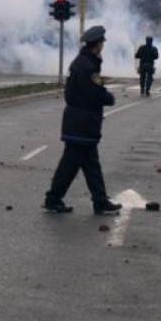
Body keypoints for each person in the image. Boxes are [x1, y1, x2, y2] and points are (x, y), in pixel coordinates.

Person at [44, 25, 122, 215]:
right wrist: (108, 98)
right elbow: (94, 93)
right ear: (98, 45)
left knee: (91, 164)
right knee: (70, 165)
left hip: (79, 122)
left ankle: (100, 201)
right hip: (82, 124)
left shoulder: (83, 63)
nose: (103, 45)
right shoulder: (87, 66)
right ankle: (53, 199)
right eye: (102, 42)